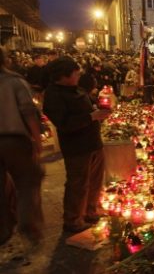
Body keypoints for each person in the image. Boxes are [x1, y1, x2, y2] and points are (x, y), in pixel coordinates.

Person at [43, 56, 111, 233]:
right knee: (78, 183)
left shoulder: (75, 89)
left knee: (95, 180)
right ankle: (73, 219)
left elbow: (87, 110)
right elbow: (64, 123)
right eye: (75, 74)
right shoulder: (54, 95)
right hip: (77, 147)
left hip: (93, 142)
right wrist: (91, 117)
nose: (78, 77)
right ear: (63, 76)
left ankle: (90, 210)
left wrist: (97, 111)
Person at [0, 46, 45, 246]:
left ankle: (3, 229)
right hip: (14, 140)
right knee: (27, 181)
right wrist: (37, 139)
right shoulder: (14, 82)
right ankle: (28, 224)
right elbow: (28, 112)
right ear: (5, 60)